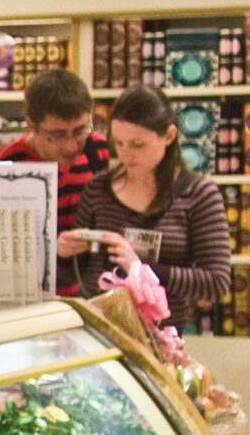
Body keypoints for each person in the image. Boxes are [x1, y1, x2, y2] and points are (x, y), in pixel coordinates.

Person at [74, 83, 233, 331]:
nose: (127, 154)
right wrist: (65, 254)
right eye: (119, 143)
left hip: (162, 338)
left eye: (138, 145)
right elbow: (79, 271)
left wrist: (141, 269)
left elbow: (216, 283)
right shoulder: (98, 188)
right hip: (100, 332)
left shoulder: (199, 195)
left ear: (169, 136)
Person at [0, 69, 113, 297]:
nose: (71, 145)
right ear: (32, 125)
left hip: (86, 300)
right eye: (58, 135)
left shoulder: (97, 150)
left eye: (80, 130)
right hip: (22, 304)